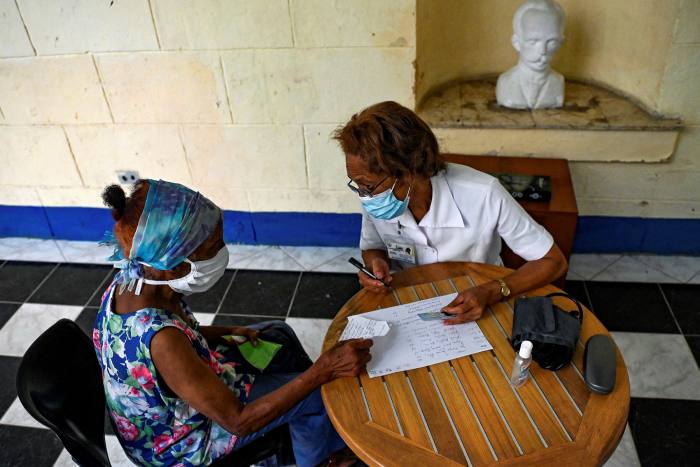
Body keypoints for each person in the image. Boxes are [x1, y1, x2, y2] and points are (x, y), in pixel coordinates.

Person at [94, 179, 371, 466]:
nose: (222, 251)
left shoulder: (134, 280)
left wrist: (227, 331)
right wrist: (322, 371)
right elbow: (238, 421)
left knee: (277, 333)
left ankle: (300, 426)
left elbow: (177, 342)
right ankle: (320, 458)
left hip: (179, 398)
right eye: (214, 246)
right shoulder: (162, 340)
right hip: (180, 443)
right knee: (318, 393)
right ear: (175, 264)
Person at [333, 101, 568, 324]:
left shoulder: (483, 194)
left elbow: (553, 261)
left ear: (409, 171)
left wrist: (493, 290)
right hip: (408, 299)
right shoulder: (376, 195)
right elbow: (372, 246)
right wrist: (376, 265)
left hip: (480, 300)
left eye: (369, 186)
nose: (364, 196)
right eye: (358, 186)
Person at [496, 0, 566, 109]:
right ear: (517, 43)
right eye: (533, 41)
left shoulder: (558, 82)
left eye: (551, 42)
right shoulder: (505, 82)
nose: (543, 51)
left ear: (560, 43)